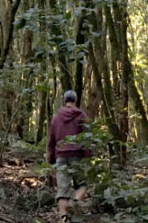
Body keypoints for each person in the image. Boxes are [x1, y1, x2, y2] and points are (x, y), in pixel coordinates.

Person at [47, 89, 91, 219]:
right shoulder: (82, 116)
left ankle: (64, 218)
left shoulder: (56, 118)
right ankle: (75, 202)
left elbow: (51, 139)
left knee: (62, 190)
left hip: (61, 156)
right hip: (78, 155)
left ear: (64, 100)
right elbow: (88, 138)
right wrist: (88, 155)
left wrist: (50, 158)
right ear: (75, 100)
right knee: (82, 185)